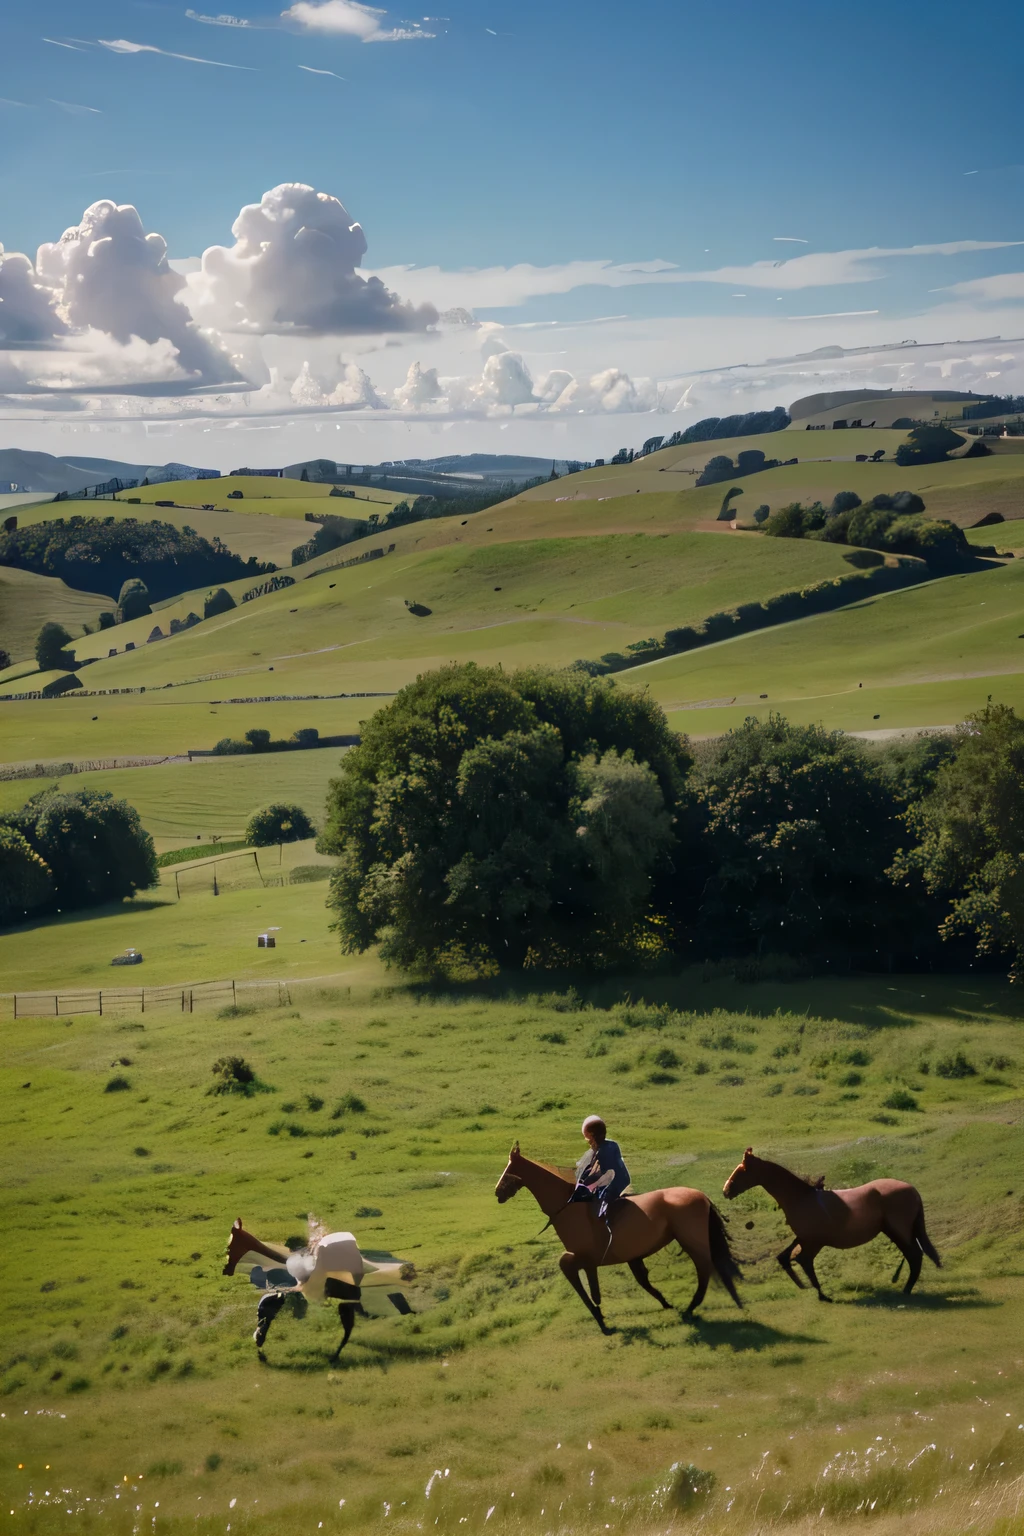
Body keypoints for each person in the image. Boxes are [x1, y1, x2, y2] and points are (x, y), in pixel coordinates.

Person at [571, 1115, 631, 1234]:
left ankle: (608, 1228)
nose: (587, 1141)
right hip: (618, 1178)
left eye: (587, 1138)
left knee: (604, 1204)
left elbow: (602, 1173)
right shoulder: (610, 1145)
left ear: (593, 1136)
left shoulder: (602, 1151)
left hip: (616, 1182)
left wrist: (586, 1181)